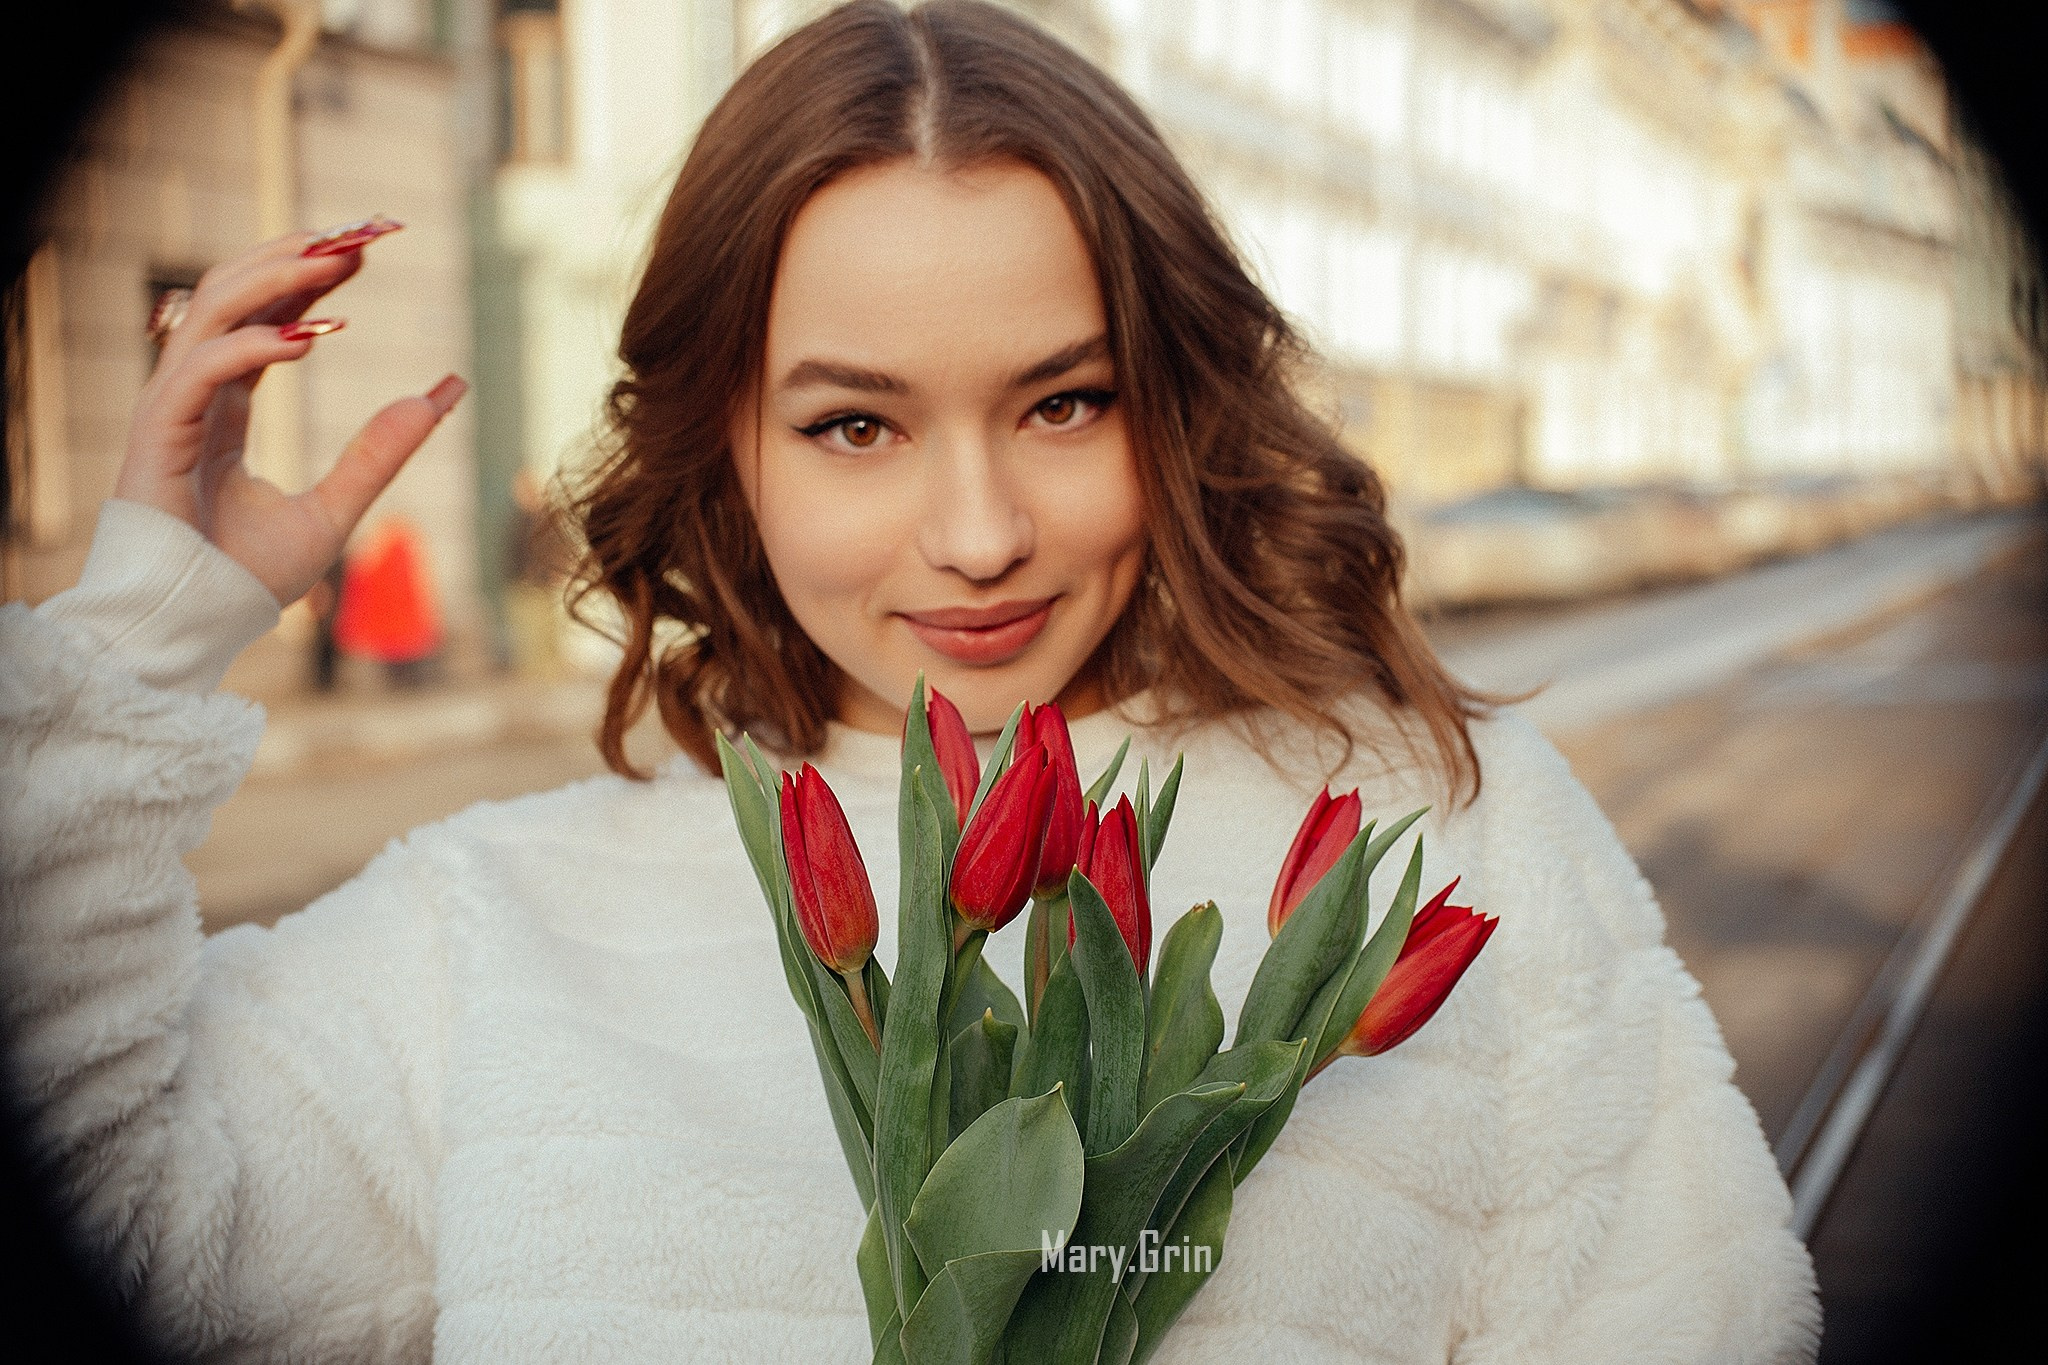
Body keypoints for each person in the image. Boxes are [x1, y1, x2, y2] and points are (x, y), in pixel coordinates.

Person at [0, 2, 1820, 1360]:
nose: (978, 534)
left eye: (1065, 402)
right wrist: (144, 636)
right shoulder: (491, 926)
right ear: (731, 445)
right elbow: (124, 1232)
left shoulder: (1441, 849)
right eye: (855, 424)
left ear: (1175, 401)